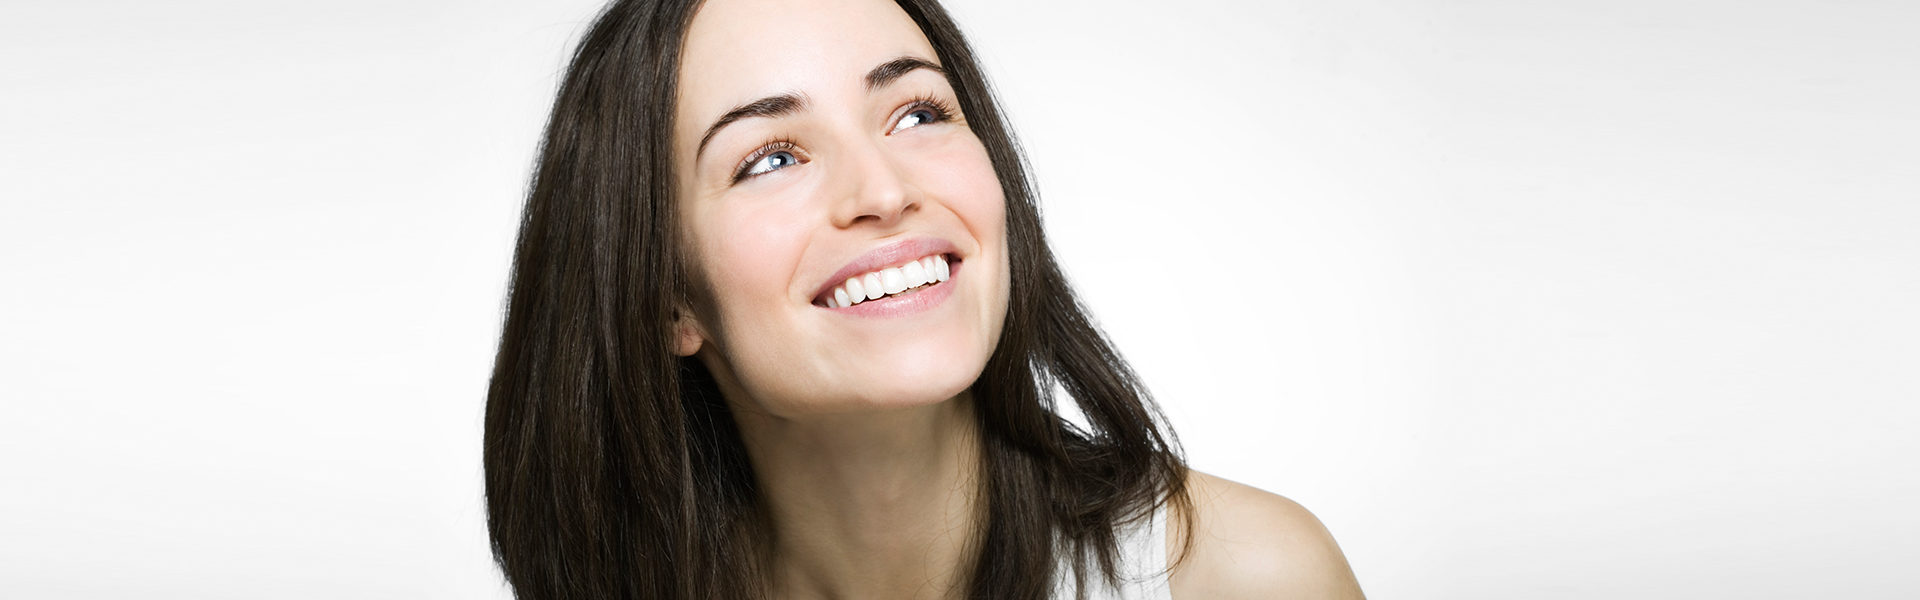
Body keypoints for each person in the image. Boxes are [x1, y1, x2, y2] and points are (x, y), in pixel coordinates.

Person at [483, 0, 1365, 597]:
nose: (882, 187)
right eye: (772, 159)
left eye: (917, 113)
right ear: (666, 299)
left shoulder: (1245, 575)